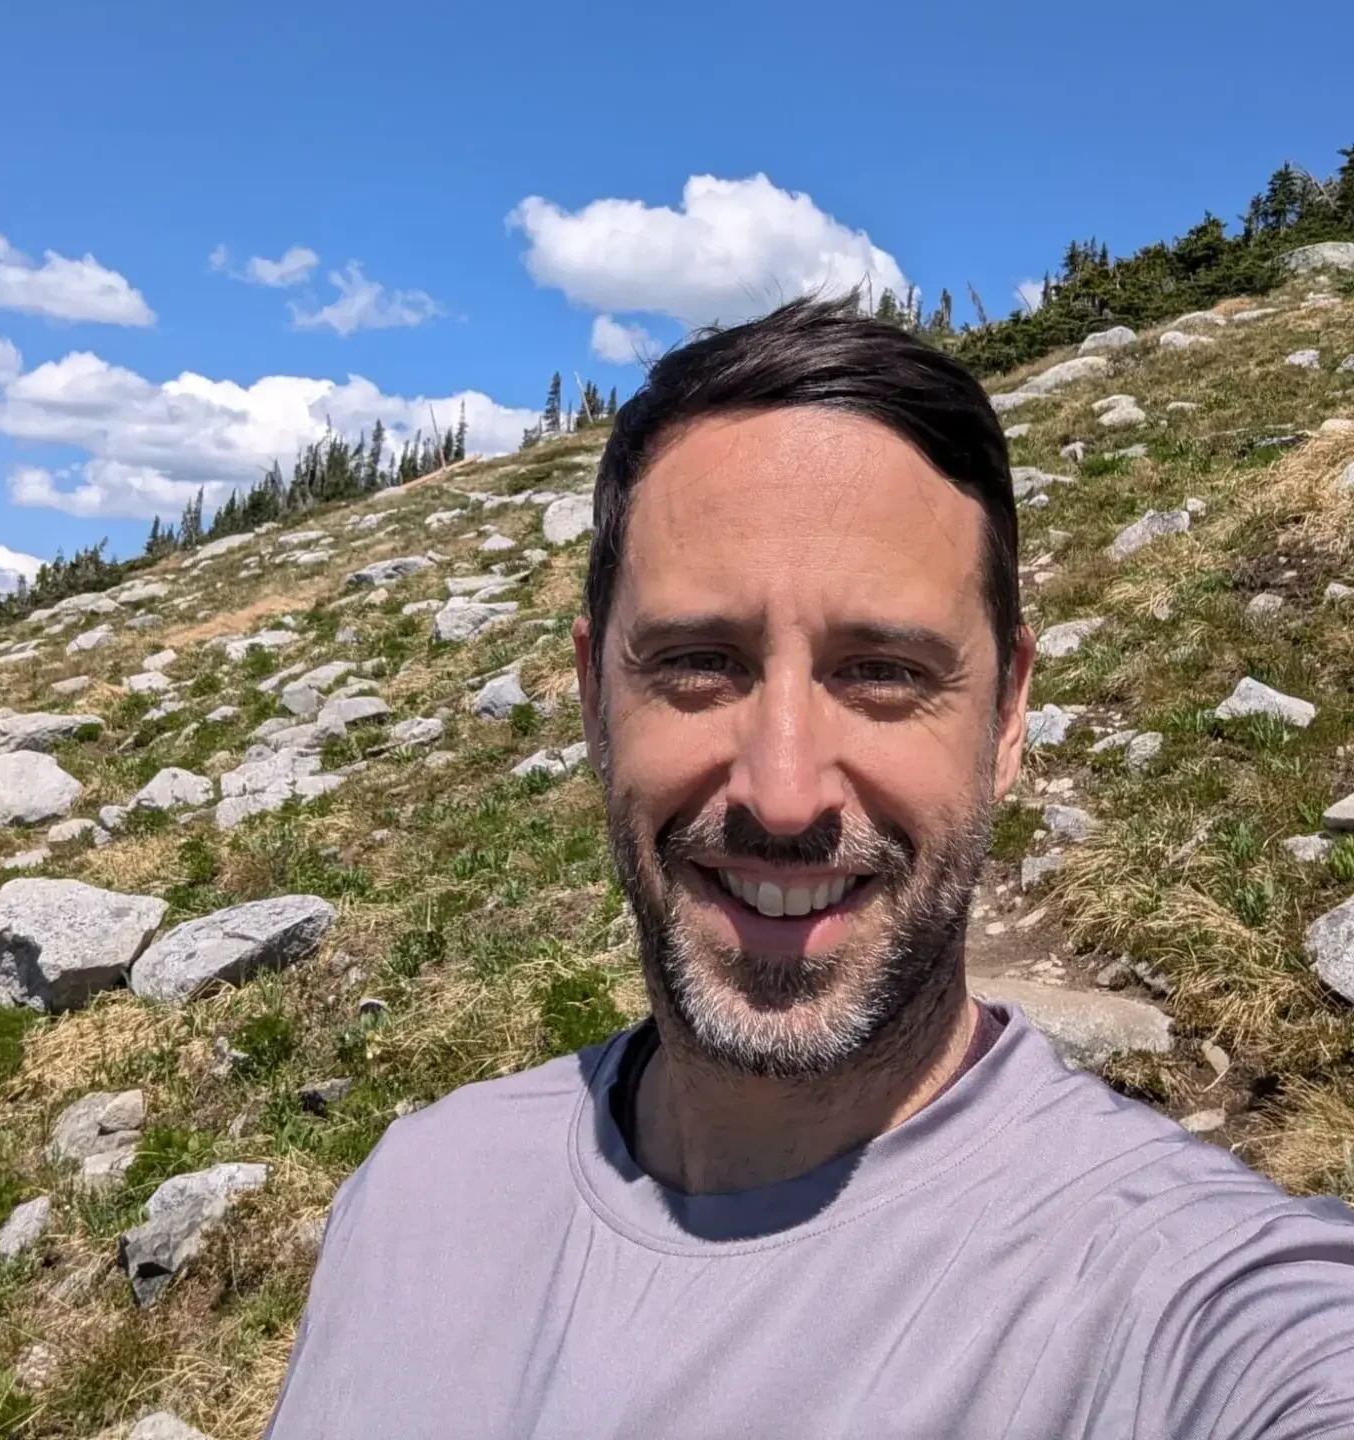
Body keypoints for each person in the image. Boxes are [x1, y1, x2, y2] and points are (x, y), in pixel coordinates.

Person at [266, 295, 1354, 1439]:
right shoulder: (409, 1199)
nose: (783, 795)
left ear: (1008, 715)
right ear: (594, 698)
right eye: (698, 662)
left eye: (883, 672)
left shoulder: (1193, 1303)